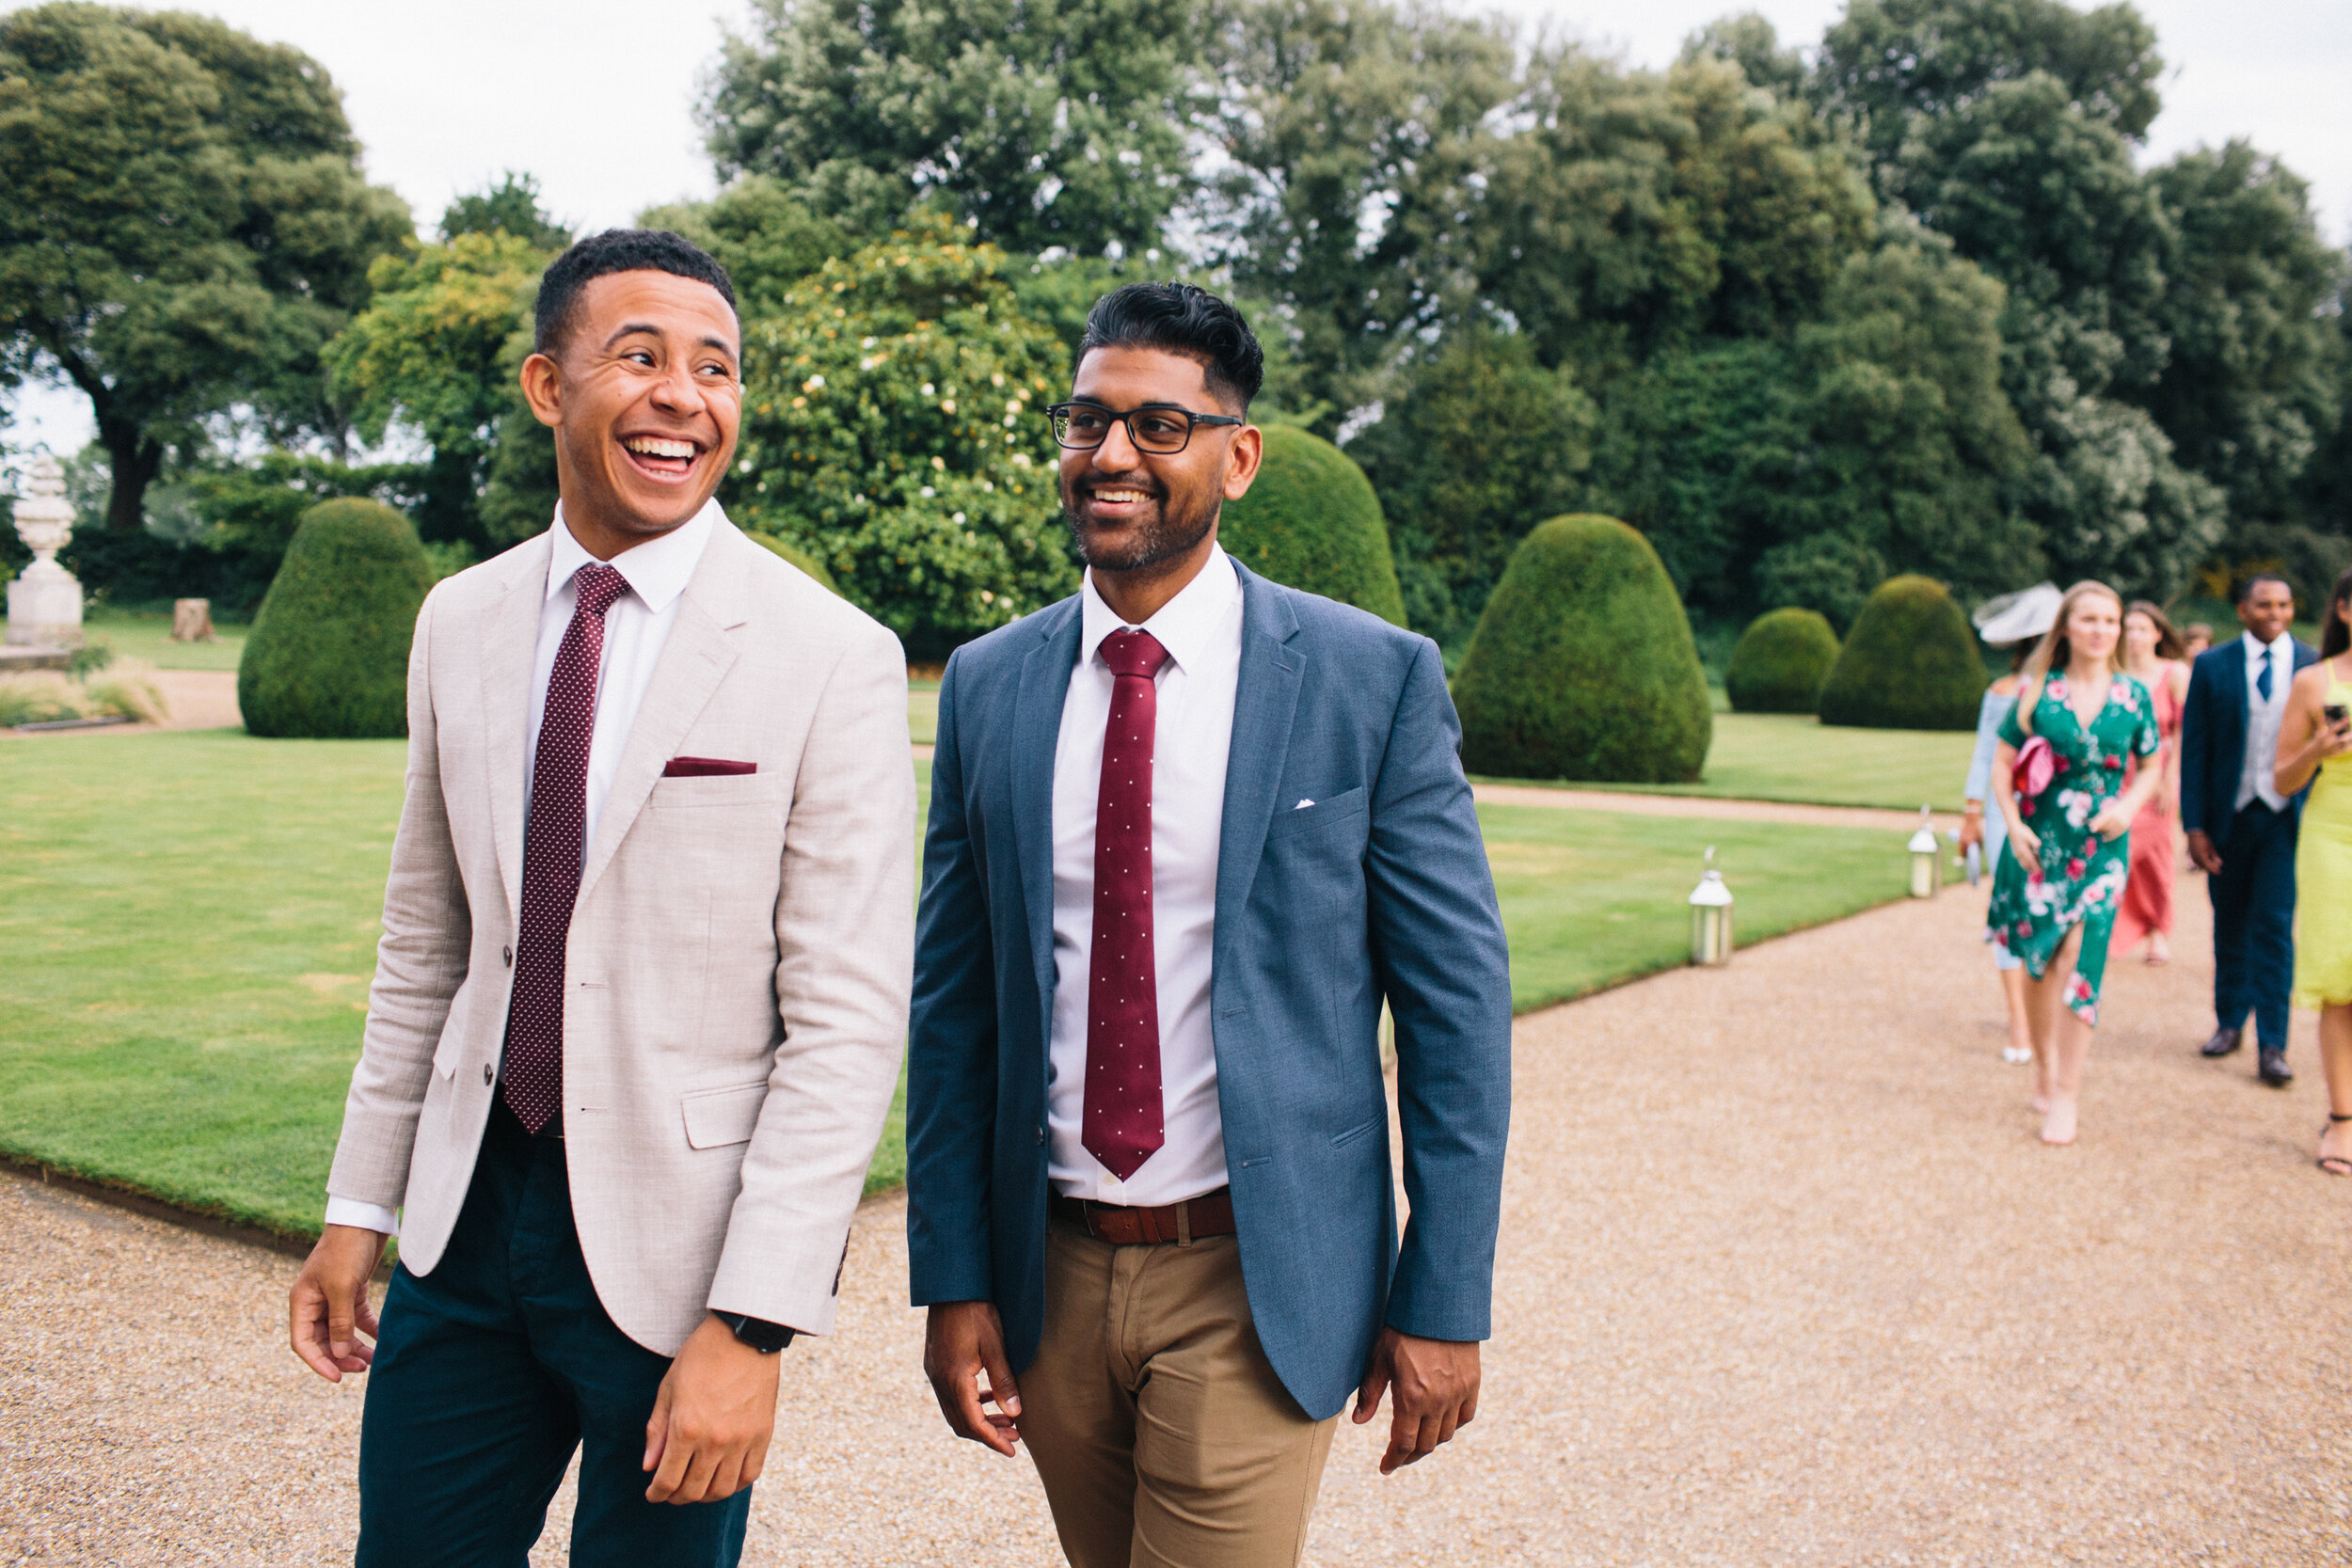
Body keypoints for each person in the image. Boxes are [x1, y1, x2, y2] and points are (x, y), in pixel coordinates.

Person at [285, 230, 916, 1564]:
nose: (685, 394)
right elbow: (427, 943)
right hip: (465, 1222)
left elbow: (849, 1020)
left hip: (679, 1258)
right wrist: (361, 1201)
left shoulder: (831, 654)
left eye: (717, 368)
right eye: (640, 357)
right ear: (546, 384)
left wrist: (752, 1325)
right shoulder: (458, 617)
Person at [906, 282, 1513, 1568]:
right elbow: (954, 1005)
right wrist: (953, 1271)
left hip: (1257, 1270)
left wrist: (1445, 1289)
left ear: (1238, 456)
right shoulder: (991, 684)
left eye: (1157, 426)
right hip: (1050, 1268)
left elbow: (1456, 1007)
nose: (1110, 454)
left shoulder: (1369, 677)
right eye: (1086, 421)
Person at [1987, 580, 2167, 1146]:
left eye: (2110, 621)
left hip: (2103, 849)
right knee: (2038, 963)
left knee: (2077, 961)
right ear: (2066, 628)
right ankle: (2043, 1064)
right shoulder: (2039, 690)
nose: (2101, 631)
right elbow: (2000, 763)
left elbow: (2152, 766)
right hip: (2042, 846)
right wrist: (2012, 825)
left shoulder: (2134, 696)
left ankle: (2066, 1094)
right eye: (2088, 619)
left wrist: (2131, 806)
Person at [2181, 573, 2318, 1085]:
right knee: (2230, 921)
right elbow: (2195, 750)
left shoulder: (2312, 665)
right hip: (2227, 817)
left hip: (2285, 817)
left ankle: (2274, 1045)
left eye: (2284, 604)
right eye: (2264, 605)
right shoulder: (2211, 666)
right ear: (2242, 609)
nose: (2275, 613)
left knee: (2275, 928)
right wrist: (2194, 825)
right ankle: (2229, 1022)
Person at [2272, 566, 2352, 1174]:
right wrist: (2318, 750)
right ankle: (2342, 1118)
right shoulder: (2312, 682)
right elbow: (2281, 779)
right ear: (2344, 610)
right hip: (2332, 835)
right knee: (2339, 978)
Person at [1963, 583, 2061, 1066]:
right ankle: (2019, 1020)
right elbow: (1985, 756)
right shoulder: (2003, 692)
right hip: (2011, 808)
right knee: (2012, 906)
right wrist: (1971, 814)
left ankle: (2047, 1005)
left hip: (2064, 812)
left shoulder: (2076, 690)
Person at [2112, 602, 2192, 964]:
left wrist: (2170, 776)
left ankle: (2158, 931)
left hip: (2159, 774)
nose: (2134, 636)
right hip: (2118, 775)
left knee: (2155, 856)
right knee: (2117, 849)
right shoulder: (2114, 674)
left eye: (2143, 628)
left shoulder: (2174, 672)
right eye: (2128, 628)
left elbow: (2184, 729)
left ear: (2158, 633)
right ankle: (2114, 927)